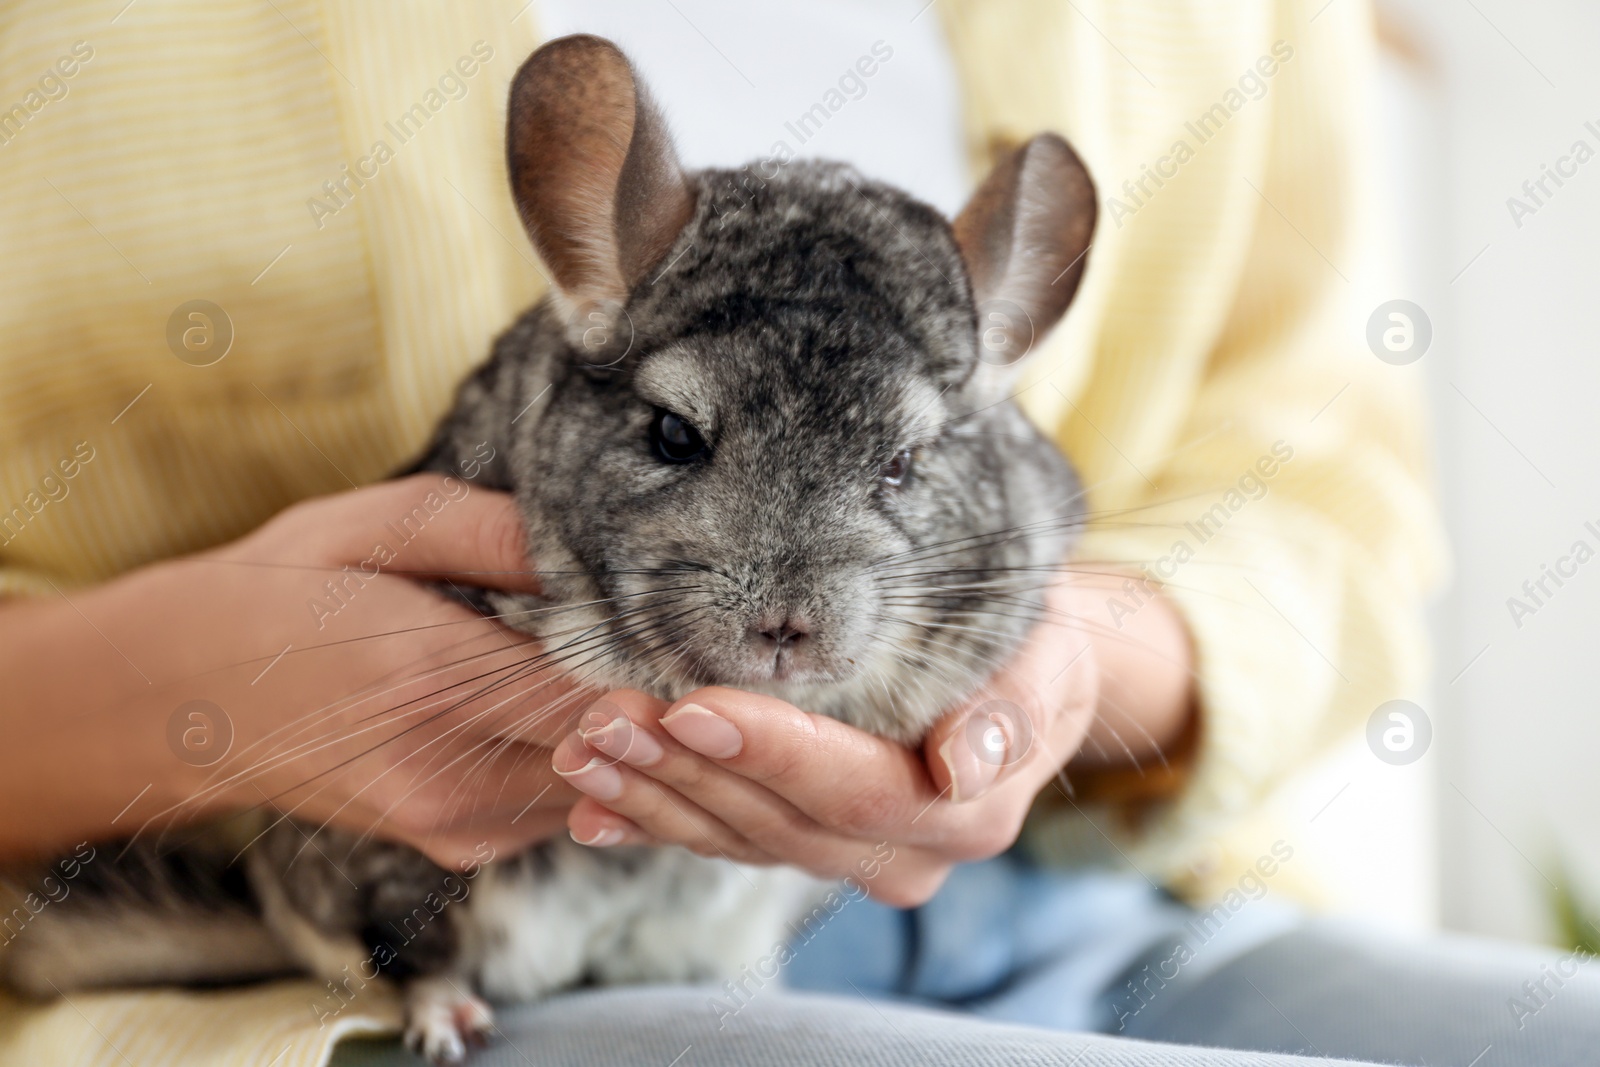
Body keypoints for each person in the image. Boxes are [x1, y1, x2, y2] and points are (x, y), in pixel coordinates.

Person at [2, 2, 1594, 1066]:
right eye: (682, 434)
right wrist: (200, 696)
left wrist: (1051, 687)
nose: (784, 597)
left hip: (1068, 915)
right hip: (475, 960)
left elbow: (1325, 478)